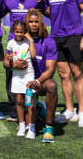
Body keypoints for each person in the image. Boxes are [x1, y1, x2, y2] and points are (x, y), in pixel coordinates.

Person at [44, 0, 83, 127]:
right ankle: (69, 111)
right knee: (64, 75)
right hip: (56, 38)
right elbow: (48, 11)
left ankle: (82, 112)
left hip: (74, 36)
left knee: (77, 74)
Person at [2, 0, 46, 122]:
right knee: (11, 73)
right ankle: (14, 110)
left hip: (30, 42)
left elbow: (42, 13)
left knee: (31, 73)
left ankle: (33, 108)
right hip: (14, 43)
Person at [24, 8, 58, 143]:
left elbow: (50, 69)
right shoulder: (21, 38)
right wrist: (13, 64)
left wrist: (37, 81)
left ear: (41, 23)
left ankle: (48, 127)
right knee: (27, 122)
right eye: (31, 22)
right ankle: (37, 109)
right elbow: (7, 63)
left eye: (36, 22)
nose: (33, 24)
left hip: (40, 81)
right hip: (24, 81)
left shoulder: (49, 41)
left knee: (52, 85)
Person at [4, 20, 36, 139]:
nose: (19, 34)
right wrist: (10, 59)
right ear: (13, 32)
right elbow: (7, 59)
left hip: (28, 75)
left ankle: (31, 127)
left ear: (25, 32)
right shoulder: (10, 43)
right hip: (17, 75)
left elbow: (32, 56)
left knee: (29, 101)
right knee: (19, 101)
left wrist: (31, 41)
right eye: (17, 32)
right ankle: (22, 125)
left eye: (21, 32)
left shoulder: (28, 42)